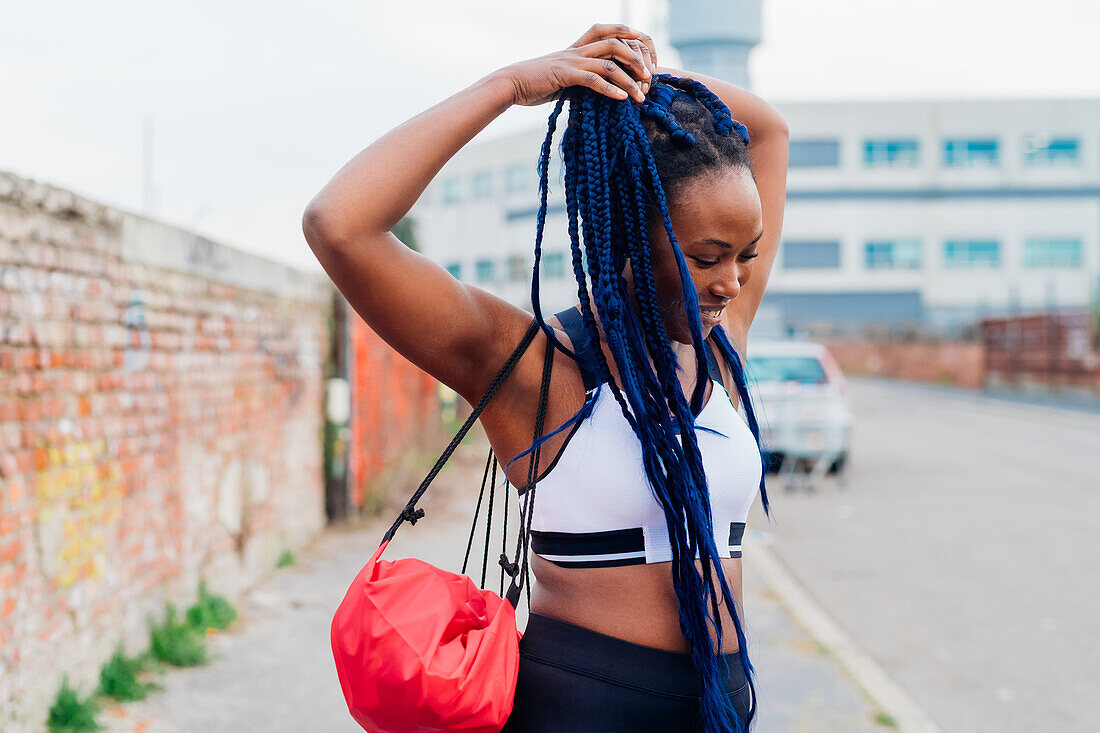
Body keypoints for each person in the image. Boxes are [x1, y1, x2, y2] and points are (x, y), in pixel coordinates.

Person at [304, 22, 788, 733]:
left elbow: (769, 131)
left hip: (722, 700)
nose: (732, 282)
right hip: (586, 708)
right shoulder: (536, 369)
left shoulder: (718, 344)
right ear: (627, 237)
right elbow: (338, 225)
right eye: (707, 256)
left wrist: (632, 91)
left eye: (745, 254)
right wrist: (511, 86)